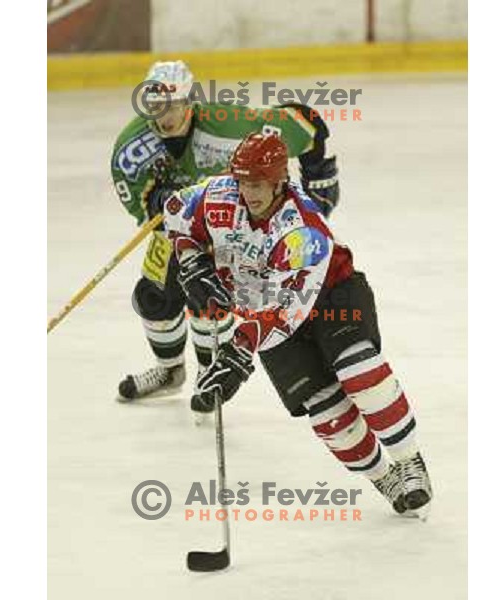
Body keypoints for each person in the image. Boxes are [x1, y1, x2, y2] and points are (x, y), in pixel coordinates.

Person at [163, 132, 432, 515]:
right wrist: (191, 263)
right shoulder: (218, 195)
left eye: (257, 184)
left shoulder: (303, 229)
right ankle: (384, 478)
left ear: (278, 181)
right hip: (262, 312)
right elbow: (175, 214)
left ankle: (409, 460)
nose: (248, 192)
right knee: (325, 411)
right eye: (242, 182)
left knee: (358, 370)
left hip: (330, 298)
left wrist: (238, 350)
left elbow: (287, 309)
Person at [111, 60, 340, 403]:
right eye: (157, 106)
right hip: (177, 226)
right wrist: (153, 201)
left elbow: (303, 122)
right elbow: (133, 191)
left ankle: (208, 373)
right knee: (152, 297)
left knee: (208, 299)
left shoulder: (229, 125)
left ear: (190, 102)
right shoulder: (133, 145)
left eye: (174, 104)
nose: (166, 115)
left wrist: (319, 172)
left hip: (224, 226)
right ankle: (170, 370)